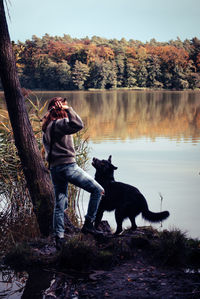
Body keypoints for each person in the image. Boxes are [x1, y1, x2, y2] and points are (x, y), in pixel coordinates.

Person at [42, 97, 104, 250]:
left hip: (55, 169)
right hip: (68, 166)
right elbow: (79, 124)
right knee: (98, 190)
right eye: (64, 106)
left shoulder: (47, 126)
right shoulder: (60, 124)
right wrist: (69, 110)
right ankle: (89, 224)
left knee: (59, 204)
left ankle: (59, 238)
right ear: (61, 109)